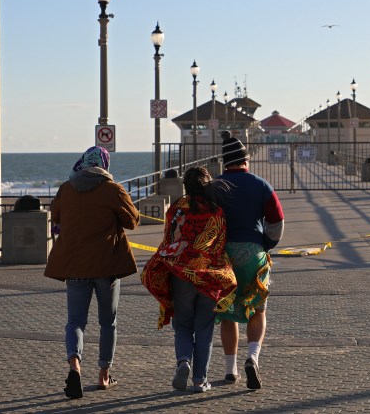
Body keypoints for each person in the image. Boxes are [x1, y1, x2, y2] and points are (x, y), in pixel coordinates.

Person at [44, 146, 140, 400]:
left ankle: (75, 365)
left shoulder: (67, 188)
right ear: (104, 165)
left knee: (75, 322)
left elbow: (55, 216)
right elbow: (133, 221)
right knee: (108, 322)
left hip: (75, 265)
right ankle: (103, 375)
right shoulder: (113, 189)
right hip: (106, 267)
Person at [141, 167, 237, 393]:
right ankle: (199, 380)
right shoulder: (216, 211)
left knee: (183, 325)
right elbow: (220, 244)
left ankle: (184, 361)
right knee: (204, 328)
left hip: (180, 274)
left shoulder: (175, 210)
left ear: (186, 186)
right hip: (208, 276)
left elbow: (168, 241)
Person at [215, 131, 285, 390]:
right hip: (253, 253)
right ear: (246, 160)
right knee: (258, 309)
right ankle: (252, 357)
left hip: (223, 256)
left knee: (227, 314)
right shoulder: (261, 185)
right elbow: (277, 220)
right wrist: (267, 244)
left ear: (225, 162)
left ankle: (230, 370)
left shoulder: (215, 186)